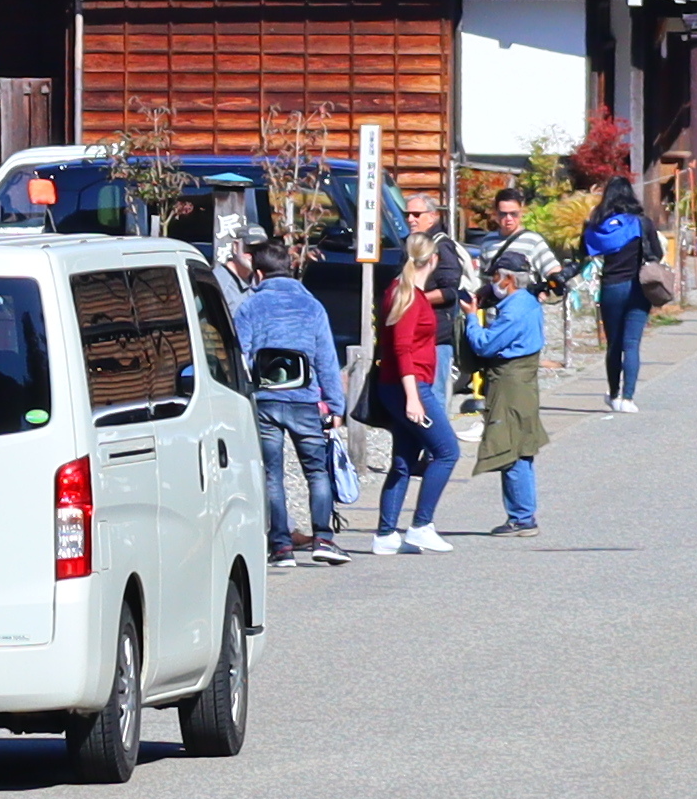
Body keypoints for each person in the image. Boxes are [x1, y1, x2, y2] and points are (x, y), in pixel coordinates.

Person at [230, 242, 347, 564]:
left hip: (266, 400)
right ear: (291, 269)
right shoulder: (313, 307)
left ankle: (281, 546)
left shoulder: (250, 306)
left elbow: (240, 352)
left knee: (272, 474)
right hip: (305, 400)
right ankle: (323, 538)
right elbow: (326, 358)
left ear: (258, 273)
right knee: (317, 472)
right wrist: (336, 405)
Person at [362, 239, 462, 551]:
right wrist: (413, 398)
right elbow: (402, 349)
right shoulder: (409, 297)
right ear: (431, 260)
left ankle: (386, 534)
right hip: (409, 385)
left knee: (404, 459)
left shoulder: (397, 289)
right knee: (447, 452)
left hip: (398, 385)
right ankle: (421, 524)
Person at [461, 233, 556, 533]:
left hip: (510, 381)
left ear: (508, 279)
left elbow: (485, 346)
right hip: (524, 382)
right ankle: (523, 513)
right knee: (522, 448)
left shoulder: (513, 310)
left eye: (495, 278)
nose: (492, 283)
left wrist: (471, 319)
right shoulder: (528, 302)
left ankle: (522, 517)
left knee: (509, 448)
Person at [575, 176, 661, 409]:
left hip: (611, 286)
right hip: (638, 287)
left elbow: (583, 250)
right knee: (631, 343)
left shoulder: (598, 226)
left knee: (613, 344)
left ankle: (613, 395)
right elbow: (658, 253)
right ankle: (628, 398)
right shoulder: (641, 223)